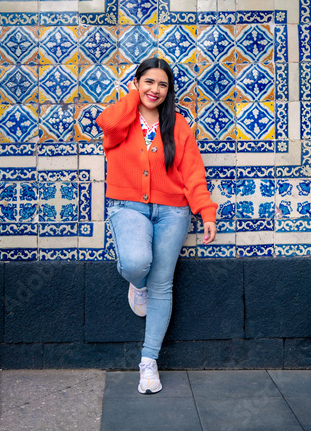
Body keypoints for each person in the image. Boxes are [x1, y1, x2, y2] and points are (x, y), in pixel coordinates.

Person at [96, 57, 218, 394]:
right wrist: (133, 95)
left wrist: (206, 212)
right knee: (137, 264)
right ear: (136, 83)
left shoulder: (178, 125)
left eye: (163, 84)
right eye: (149, 81)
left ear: (170, 90)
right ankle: (137, 285)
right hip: (128, 207)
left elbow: (193, 173)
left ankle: (148, 363)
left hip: (173, 211)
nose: (156, 89)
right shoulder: (122, 121)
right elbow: (105, 121)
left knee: (162, 284)